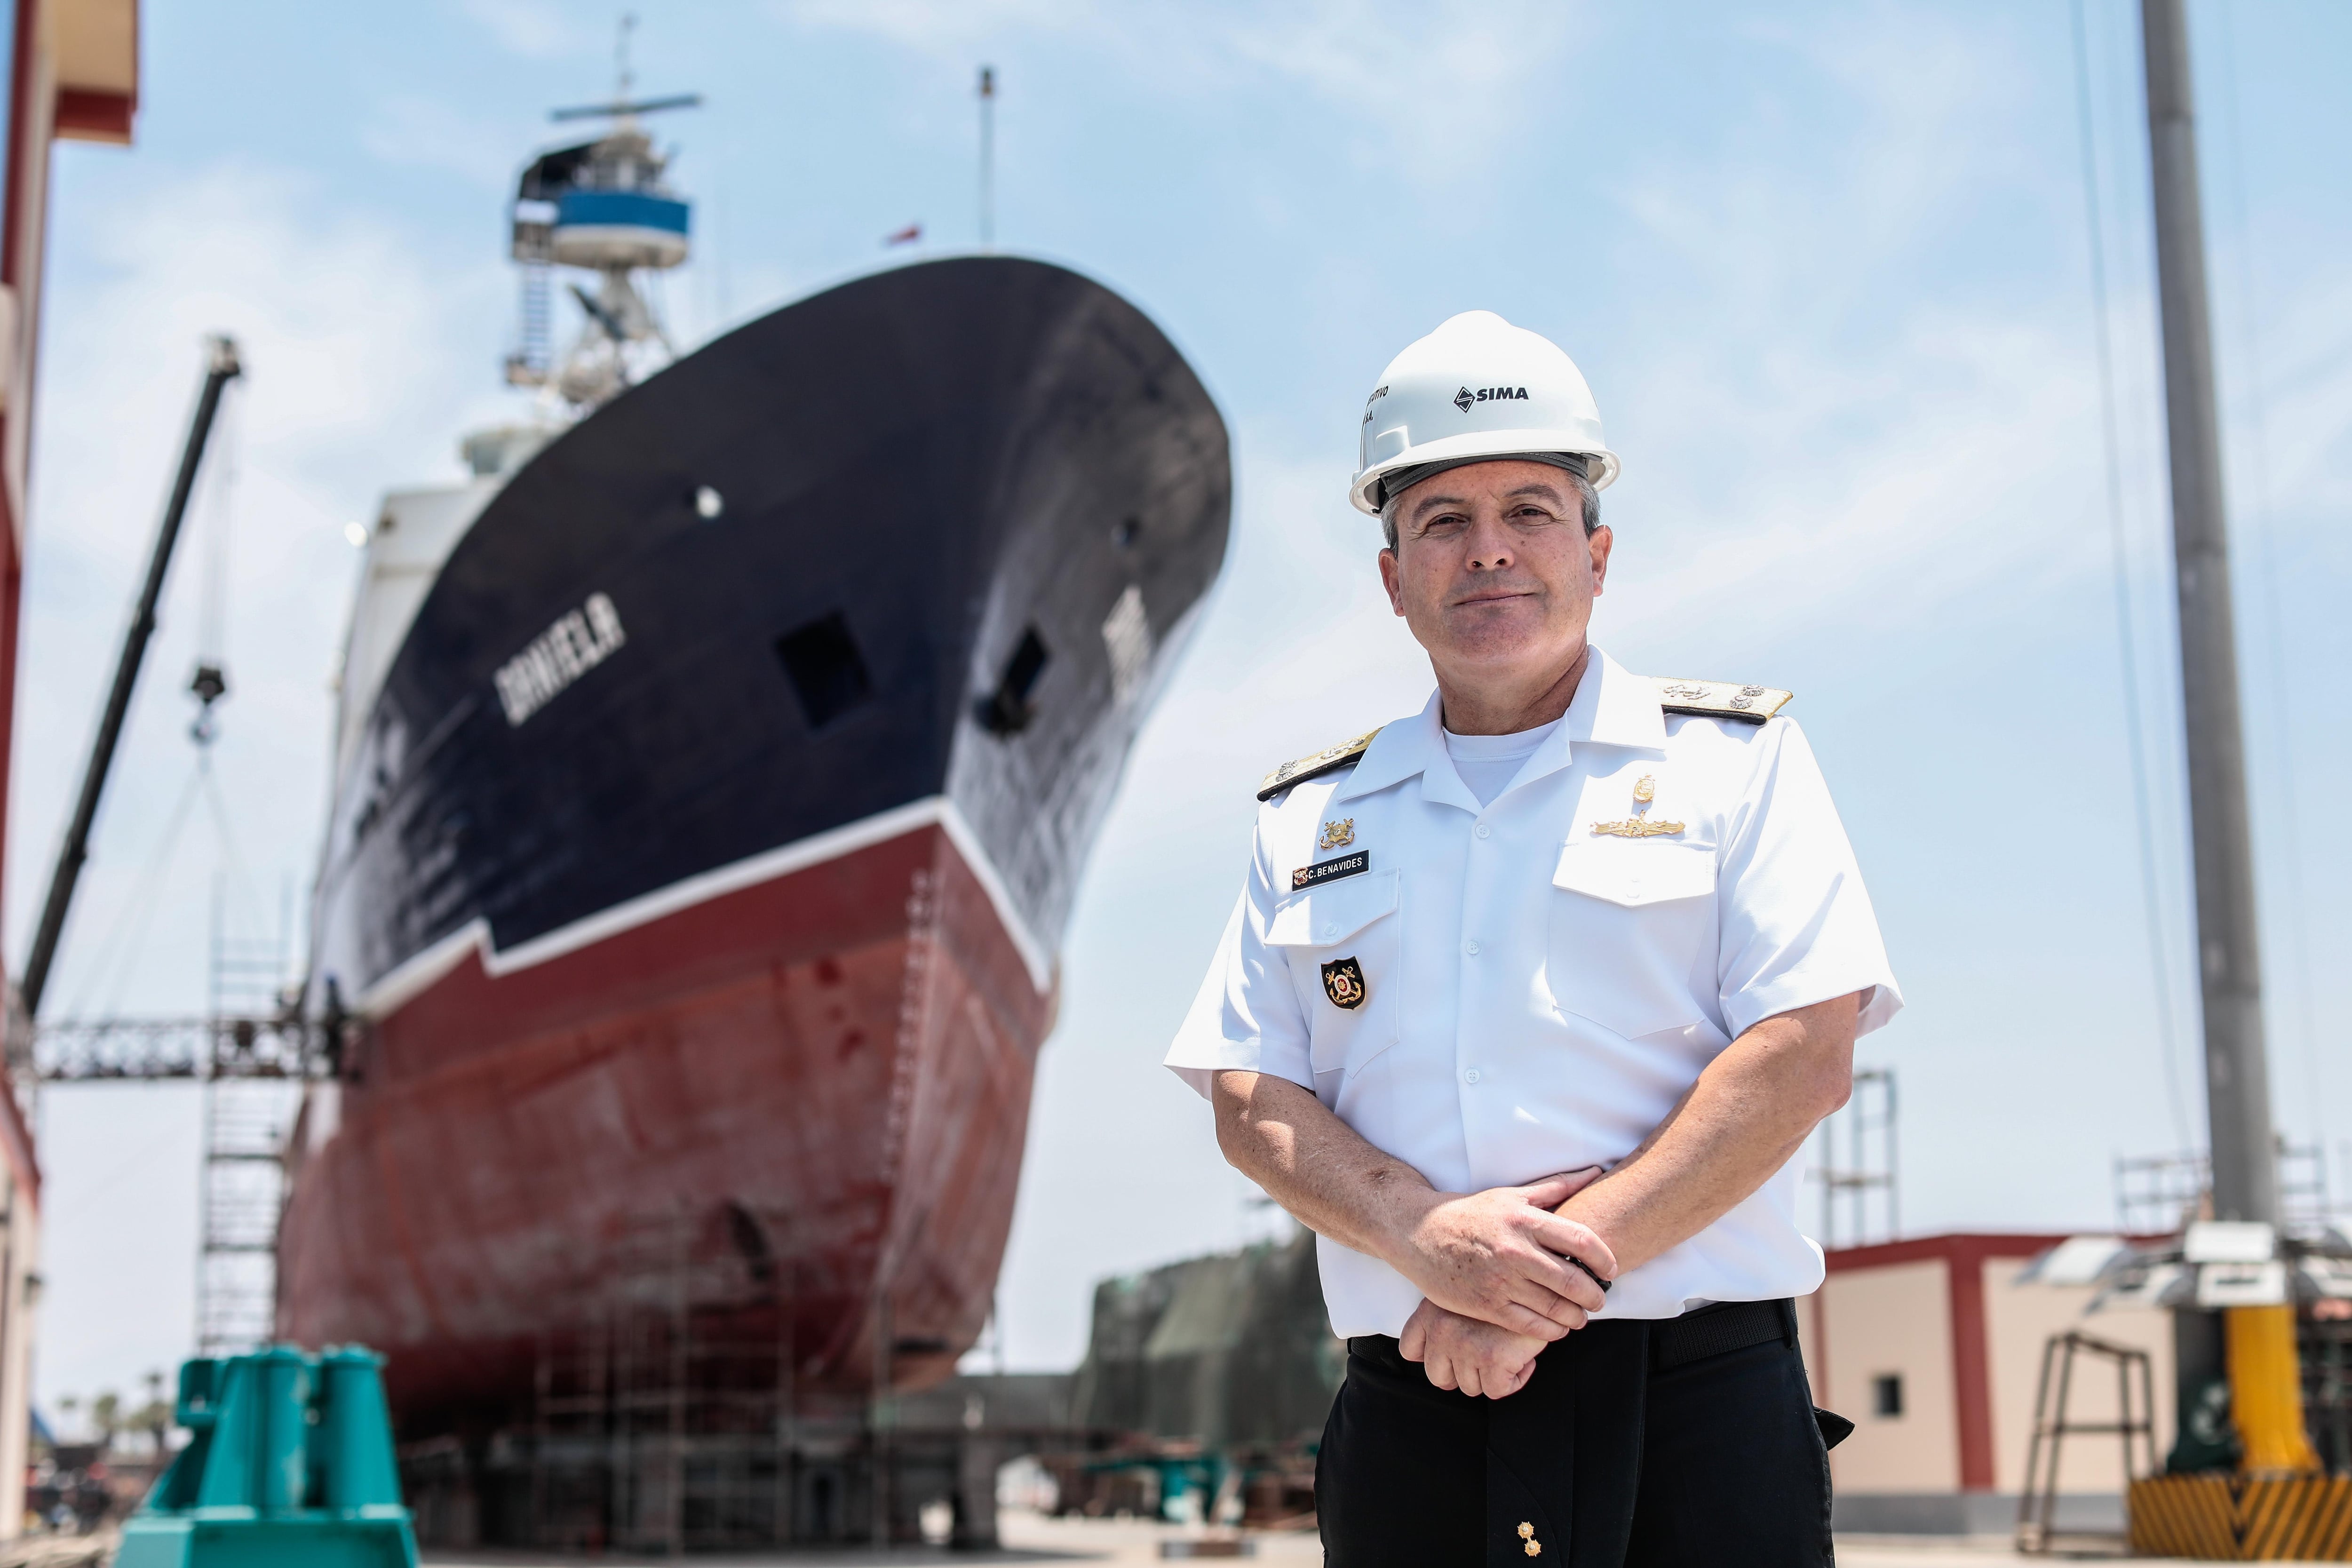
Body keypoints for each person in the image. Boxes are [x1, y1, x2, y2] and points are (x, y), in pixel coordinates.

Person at [1165, 310, 1900, 1567]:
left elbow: (1801, 1054)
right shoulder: (1311, 817)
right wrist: (1420, 1239)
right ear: (1395, 578)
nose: (1489, 551)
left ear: (1598, 554)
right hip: (1416, 1412)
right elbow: (1248, 1095)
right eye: (1442, 521)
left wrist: (1534, 1291)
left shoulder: (1734, 763)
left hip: (1694, 1414)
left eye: (1530, 511)